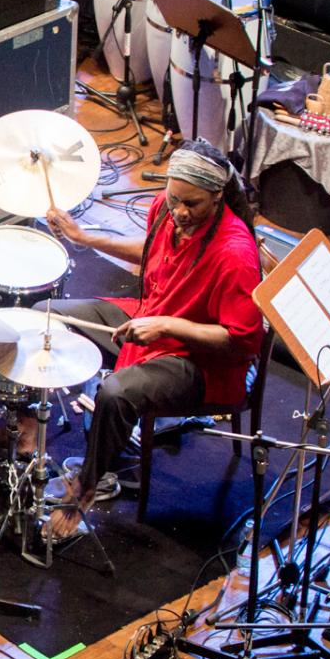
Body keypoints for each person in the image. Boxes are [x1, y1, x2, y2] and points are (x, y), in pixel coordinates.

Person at [33, 140, 264, 542]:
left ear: (217, 196)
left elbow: (241, 342)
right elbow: (152, 250)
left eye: (191, 204)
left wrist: (169, 326)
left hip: (204, 360)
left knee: (117, 392)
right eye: (174, 199)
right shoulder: (167, 209)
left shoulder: (235, 253)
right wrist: (87, 239)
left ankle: (86, 489)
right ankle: (25, 433)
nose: (179, 212)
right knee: (46, 316)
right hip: (152, 317)